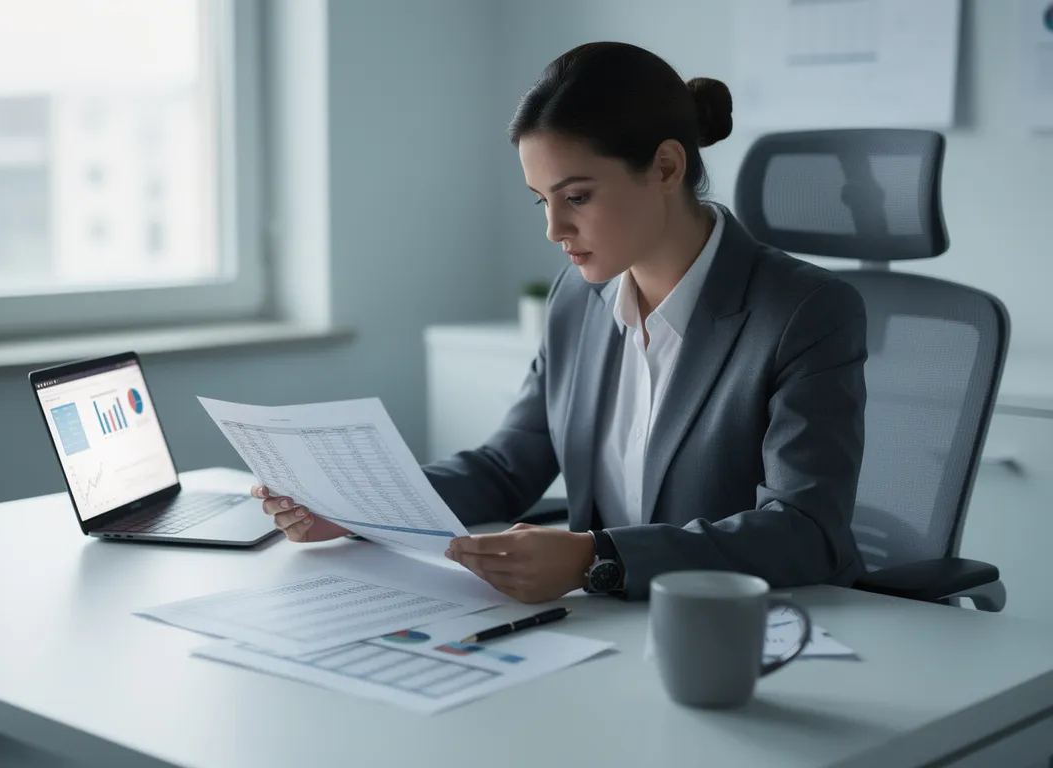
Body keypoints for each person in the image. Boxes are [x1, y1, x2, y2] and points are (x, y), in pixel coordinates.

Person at [252, 42, 868, 603]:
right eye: (542, 200)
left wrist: (594, 558)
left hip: (760, 628)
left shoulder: (805, 311)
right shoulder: (578, 297)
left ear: (665, 167)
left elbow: (806, 531)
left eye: (576, 197)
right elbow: (507, 466)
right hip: (613, 629)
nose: (554, 230)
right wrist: (356, 509)